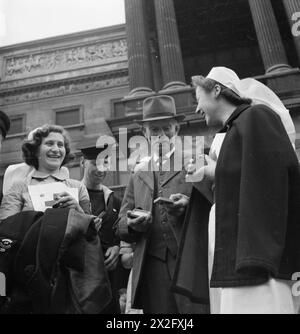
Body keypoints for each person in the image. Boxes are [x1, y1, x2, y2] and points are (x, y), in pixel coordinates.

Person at [175, 67, 300, 314]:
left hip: (258, 261)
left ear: (216, 90)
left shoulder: (257, 116)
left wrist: (215, 170)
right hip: (235, 256)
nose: (196, 109)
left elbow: (269, 177)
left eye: (198, 98)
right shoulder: (234, 129)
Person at [116, 95, 208, 314]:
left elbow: (213, 208)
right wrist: (133, 224)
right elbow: (120, 225)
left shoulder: (196, 161)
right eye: (154, 130)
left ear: (176, 129)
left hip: (190, 261)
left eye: (166, 128)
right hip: (152, 265)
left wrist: (188, 207)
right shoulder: (137, 174)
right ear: (145, 134)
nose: (161, 135)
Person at [0, 124, 90, 220]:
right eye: (49, 143)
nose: (56, 149)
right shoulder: (18, 187)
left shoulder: (79, 187)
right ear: (36, 151)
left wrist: (78, 210)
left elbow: (92, 228)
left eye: (60, 145)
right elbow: (5, 226)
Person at [79, 138, 121, 313]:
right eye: (95, 163)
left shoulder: (115, 200)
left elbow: (120, 234)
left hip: (108, 280)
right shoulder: (69, 194)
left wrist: (117, 247)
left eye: (105, 162)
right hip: (80, 278)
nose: (101, 168)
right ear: (82, 163)